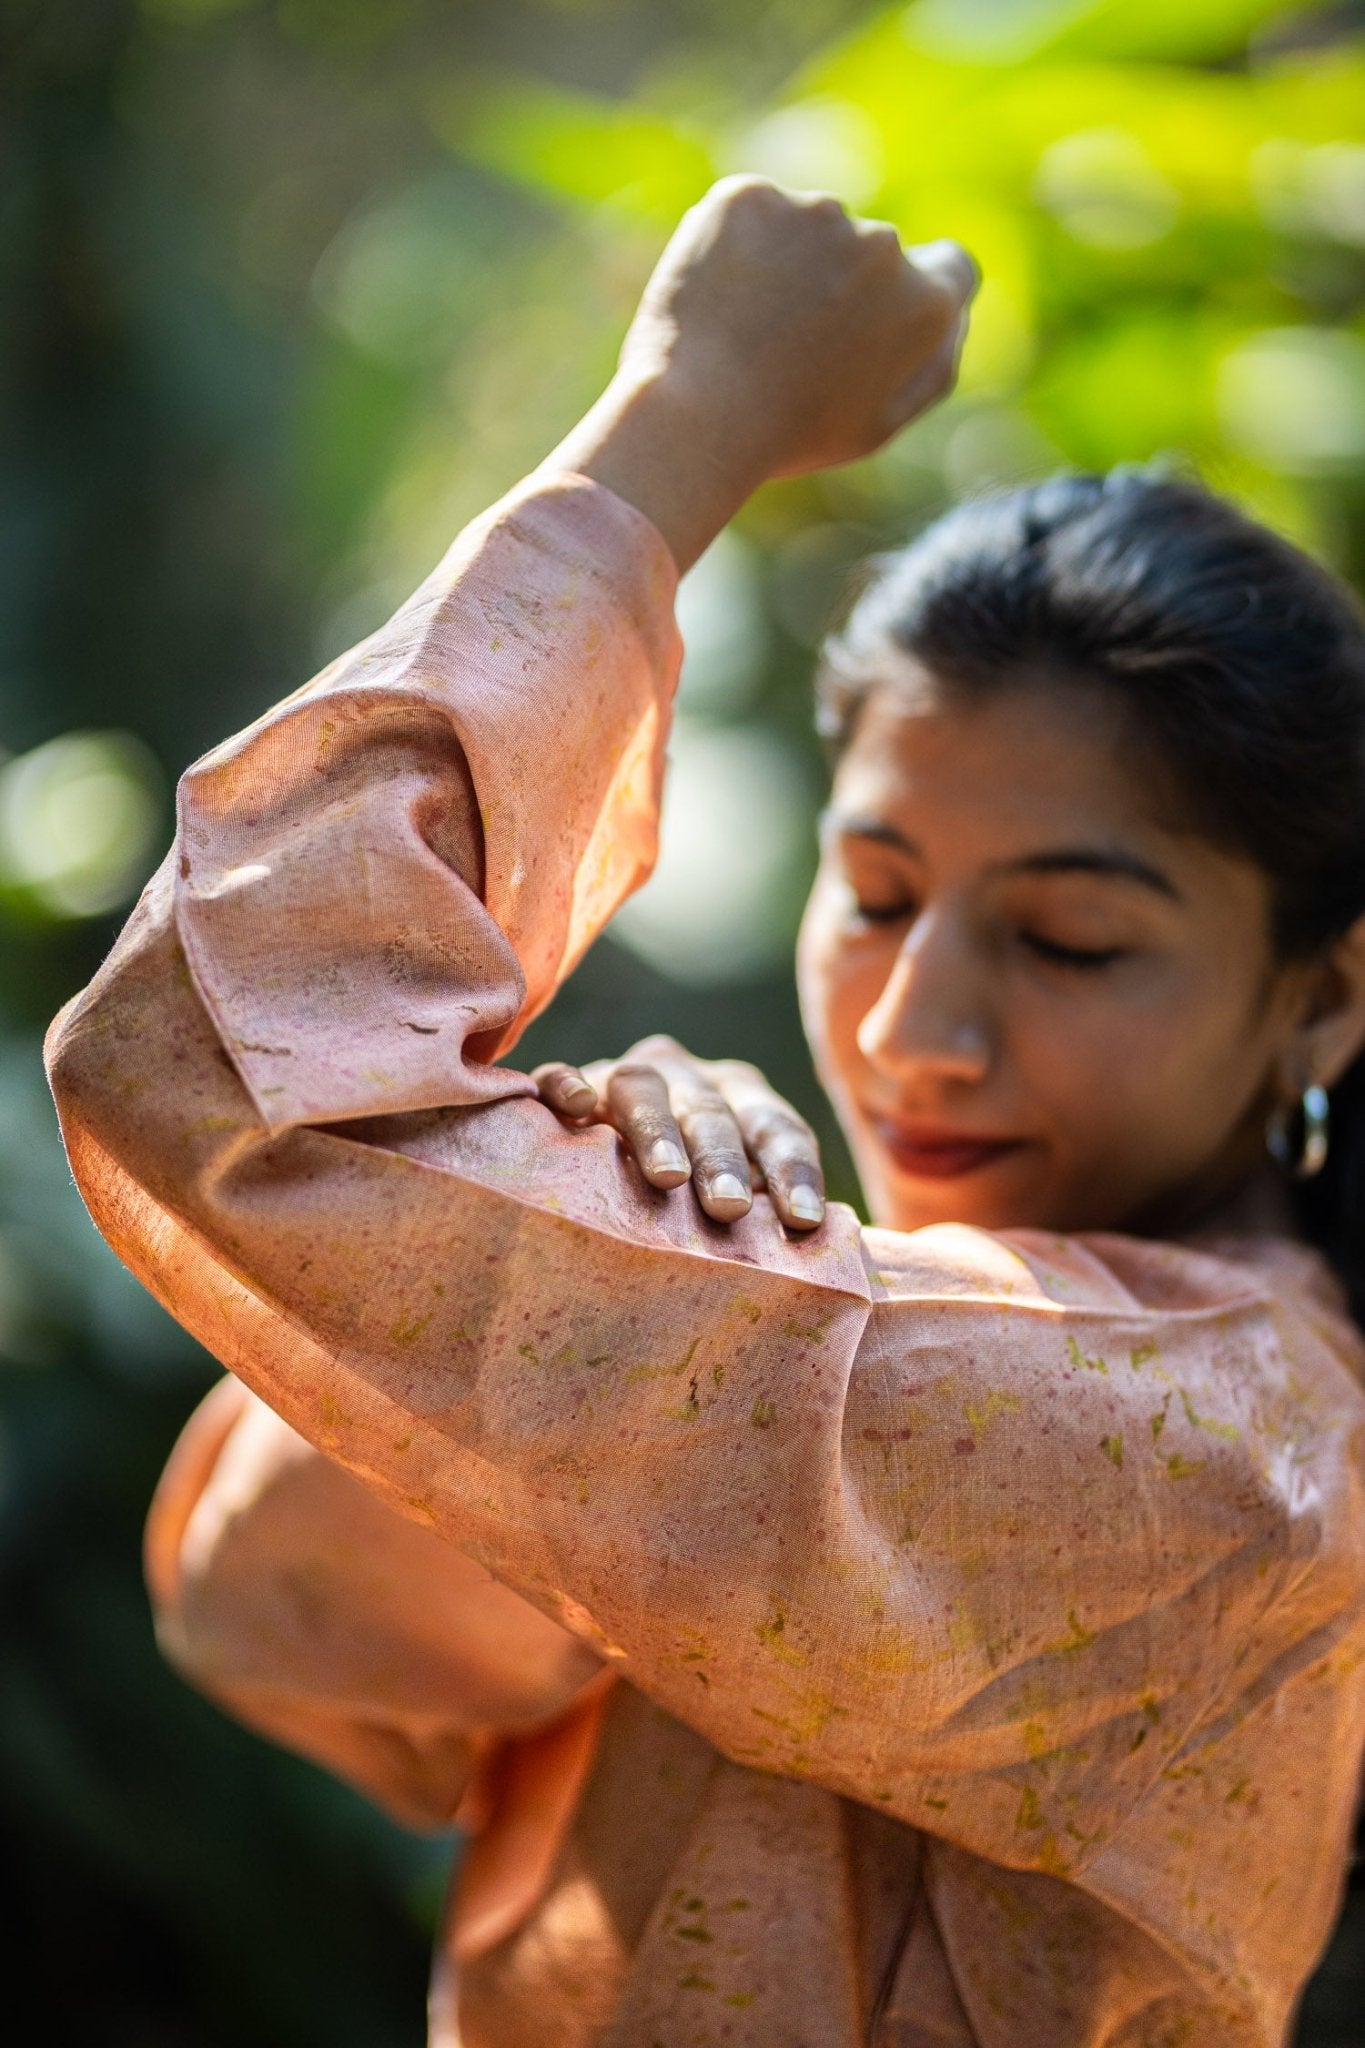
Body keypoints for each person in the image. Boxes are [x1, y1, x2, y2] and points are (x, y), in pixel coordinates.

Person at [46, 175, 1365, 2047]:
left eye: (1068, 942)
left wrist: (687, 414)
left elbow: (216, 1075)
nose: (917, 1029)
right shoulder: (883, 1345)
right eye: (880, 897)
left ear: (1320, 995)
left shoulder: (1206, 1464)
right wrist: (622, 1202)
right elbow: (277, 1610)